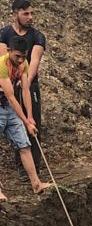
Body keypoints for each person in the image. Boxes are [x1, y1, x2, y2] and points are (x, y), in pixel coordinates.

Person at [0, 34, 48, 197]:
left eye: (23, 56)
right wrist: (26, 122)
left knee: (24, 144)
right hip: (3, 104)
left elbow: (25, 89)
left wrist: (30, 117)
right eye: (17, 56)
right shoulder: (2, 65)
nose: (21, 60)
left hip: (10, 109)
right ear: (9, 51)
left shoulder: (24, 63)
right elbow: (11, 95)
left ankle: (36, 183)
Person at [0, 0, 45, 171]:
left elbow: (33, 61)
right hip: (7, 82)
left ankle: (34, 168)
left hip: (28, 82)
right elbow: (5, 59)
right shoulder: (4, 34)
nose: (30, 17)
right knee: (16, 121)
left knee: (32, 122)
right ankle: (21, 166)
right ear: (15, 14)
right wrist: (11, 80)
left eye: (31, 13)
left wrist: (22, 78)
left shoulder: (37, 36)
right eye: (26, 13)